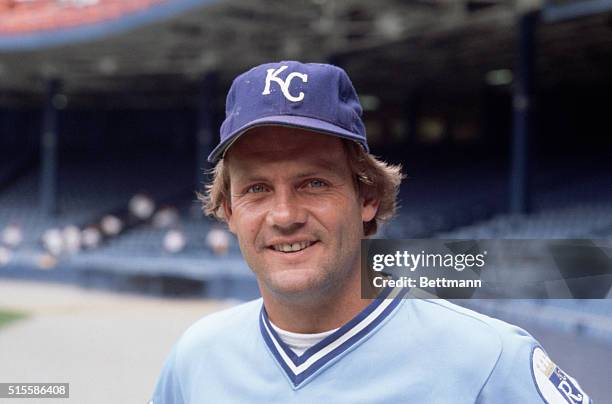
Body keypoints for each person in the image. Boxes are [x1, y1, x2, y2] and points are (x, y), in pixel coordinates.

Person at [150, 61, 590, 403]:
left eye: (314, 183)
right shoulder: (196, 357)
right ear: (228, 209)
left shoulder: (490, 360)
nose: (284, 215)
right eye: (257, 189)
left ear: (368, 198)